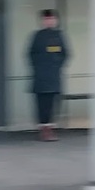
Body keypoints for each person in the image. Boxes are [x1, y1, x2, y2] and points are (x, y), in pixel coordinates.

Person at [27, 9, 70, 142]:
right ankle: (44, 129)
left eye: (51, 19)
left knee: (54, 103)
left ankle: (50, 127)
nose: (49, 22)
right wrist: (39, 68)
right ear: (42, 21)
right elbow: (31, 54)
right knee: (42, 103)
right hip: (40, 76)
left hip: (54, 75)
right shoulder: (37, 36)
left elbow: (66, 54)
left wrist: (57, 66)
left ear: (55, 20)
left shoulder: (59, 35)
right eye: (46, 19)